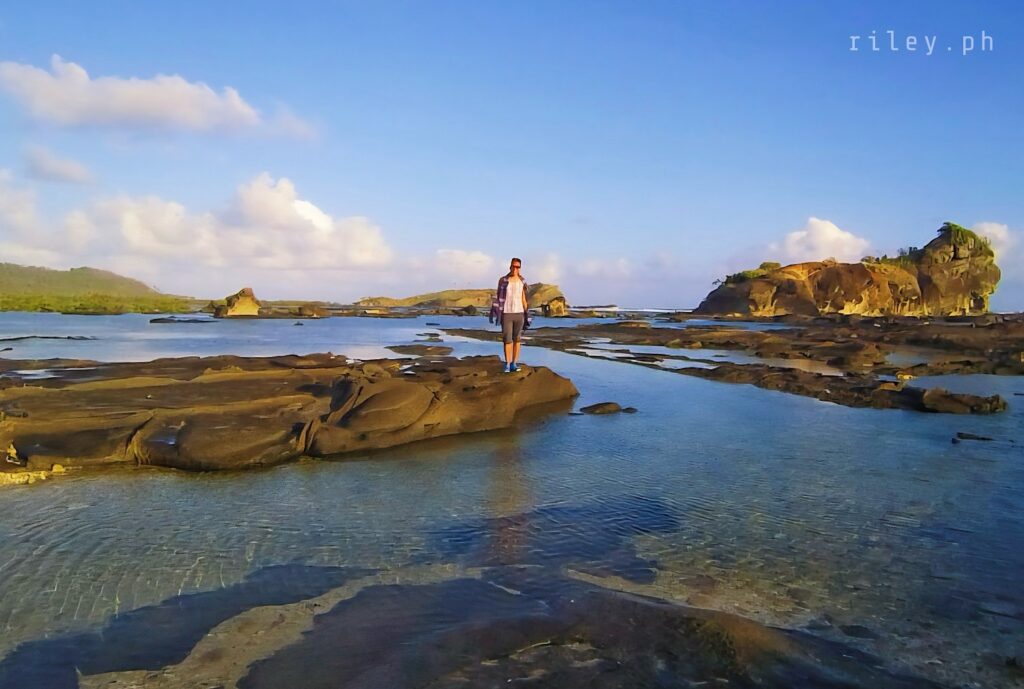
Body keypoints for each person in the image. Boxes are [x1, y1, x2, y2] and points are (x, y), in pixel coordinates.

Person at [489, 257, 529, 373]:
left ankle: (514, 364)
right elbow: (498, 296)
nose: (515, 269)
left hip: (519, 312)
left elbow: (524, 297)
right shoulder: (503, 280)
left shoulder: (523, 281)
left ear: (520, 268)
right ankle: (507, 364)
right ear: (510, 266)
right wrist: (494, 310)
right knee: (507, 340)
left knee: (517, 339)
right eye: (513, 266)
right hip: (506, 312)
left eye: (518, 267)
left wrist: (527, 313)